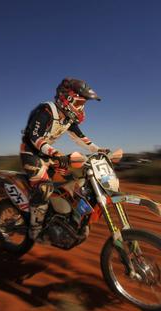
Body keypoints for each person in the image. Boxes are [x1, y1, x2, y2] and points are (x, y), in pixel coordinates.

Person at [20, 78, 107, 241]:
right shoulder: (46, 110)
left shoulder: (68, 119)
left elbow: (81, 138)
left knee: (73, 182)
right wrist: (56, 153)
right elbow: (34, 136)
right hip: (31, 154)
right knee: (44, 188)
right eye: (81, 103)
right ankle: (35, 229)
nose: (82, 108)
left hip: (49, 155)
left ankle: (57, 219)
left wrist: (99, 150)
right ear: (68, 98)